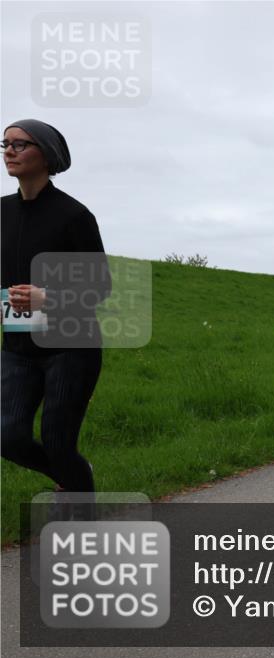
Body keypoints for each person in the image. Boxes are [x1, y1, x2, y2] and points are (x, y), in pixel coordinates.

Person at [1, 120, 109, 506]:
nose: (8, 151)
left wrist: (47, 297)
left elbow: (100, 287)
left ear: (46, 155)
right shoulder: (2, 212)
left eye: (20, 144)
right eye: (5, 143)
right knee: (7, 436)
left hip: (71, 347)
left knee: (59, 443)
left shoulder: (73, 216)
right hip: (16, 346)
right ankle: (72, 476)